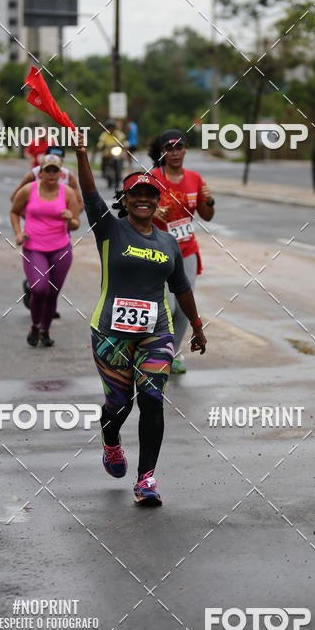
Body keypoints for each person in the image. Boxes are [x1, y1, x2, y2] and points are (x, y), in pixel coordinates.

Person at [74, 131, 207, 506]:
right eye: (137, 195)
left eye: (151, 196)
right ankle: (111, 441)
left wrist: (196, 327)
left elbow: (181, 287)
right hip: (110, 333)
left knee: (151, 400)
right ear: (126, 200)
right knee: (119, 405)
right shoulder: (110, 228)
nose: (144, 200)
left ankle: (146, 479)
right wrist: (82, 154)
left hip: (156, 333)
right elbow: (88, 194)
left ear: (157, 201)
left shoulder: (167, 243)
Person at [149, 129, 215, 374]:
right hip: (158, 250)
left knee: (185, 307)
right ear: (162, 152)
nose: (175, 153)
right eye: (169, 148)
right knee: (170, 306)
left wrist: (209, 201)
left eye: (179, 147)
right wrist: (152, 212)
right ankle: (156, 349)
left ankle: (172, 354)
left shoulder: (194, 179)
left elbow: (206, 216)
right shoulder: (153, 178)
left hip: (186, 250)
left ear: (185, 150)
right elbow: (132, 207)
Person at [10, 152, 80, 348]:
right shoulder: (28, 190)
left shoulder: (67, 192)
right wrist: (18, 232)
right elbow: (14, 211)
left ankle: (45, 329)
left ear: (60, 173)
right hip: (34, 247)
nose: (51, 174)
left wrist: (69, 219)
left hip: (61, 249)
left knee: (52, 293)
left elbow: (76, 223)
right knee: (40, 289)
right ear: (40, 172)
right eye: (47, 170)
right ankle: (34, 324)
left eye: (55, 171)